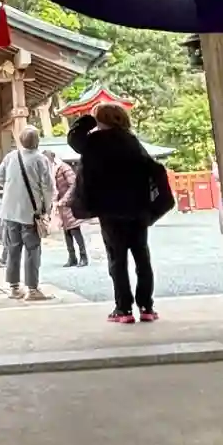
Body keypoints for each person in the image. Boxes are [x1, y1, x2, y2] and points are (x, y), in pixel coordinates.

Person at [67, 102, 174, 324]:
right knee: (141, 257)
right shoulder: (131, 141)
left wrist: (88, 120)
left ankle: (123, 309)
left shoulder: (94, 142)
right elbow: (153, 169)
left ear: (100, 120)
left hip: (110, 209)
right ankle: (146, 306)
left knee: (117, 259)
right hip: (138, 209)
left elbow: (74, 139)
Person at [0, 126, 56, 301]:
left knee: (13, 249)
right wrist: (46, 208)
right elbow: (48, 187)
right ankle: (33, 289)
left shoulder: (11, 157)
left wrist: (12, 187)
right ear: (37, 141)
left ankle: (14, 288)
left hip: (9, 211)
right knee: (32, 249)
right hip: (30, 212)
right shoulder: (40, 159)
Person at [53, 154, 88, 267]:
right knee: (67, 232)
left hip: (70, 204)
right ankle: (72, 257)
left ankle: (83, 257)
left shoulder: (64, 168)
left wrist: (65, 199)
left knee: (75, 230)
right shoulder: (53, 169)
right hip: (62, 206)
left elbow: (73, 185)